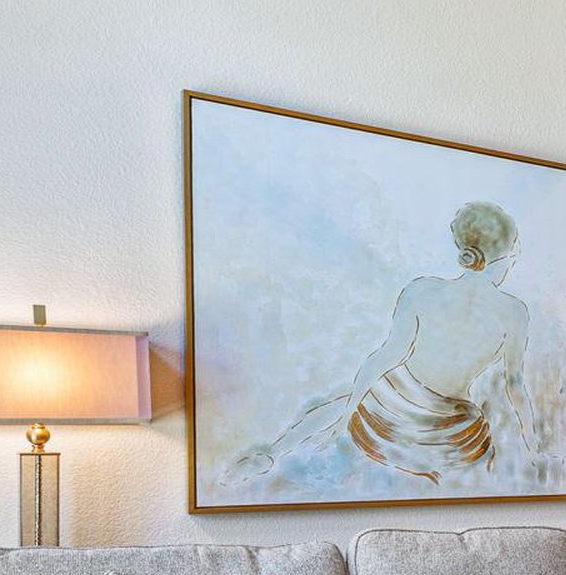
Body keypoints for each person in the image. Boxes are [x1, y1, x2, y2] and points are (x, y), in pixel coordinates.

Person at [225, 200, 529, 488]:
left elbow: (387, 356)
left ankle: (274, 453)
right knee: (478, 455)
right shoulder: (514, 312)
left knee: (341, 402)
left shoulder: (422, 290)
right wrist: (535, 444)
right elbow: (514, 386)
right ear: (504, 259)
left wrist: (347, 413)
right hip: (450, 426)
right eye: (513, 257)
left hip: (389, 409)